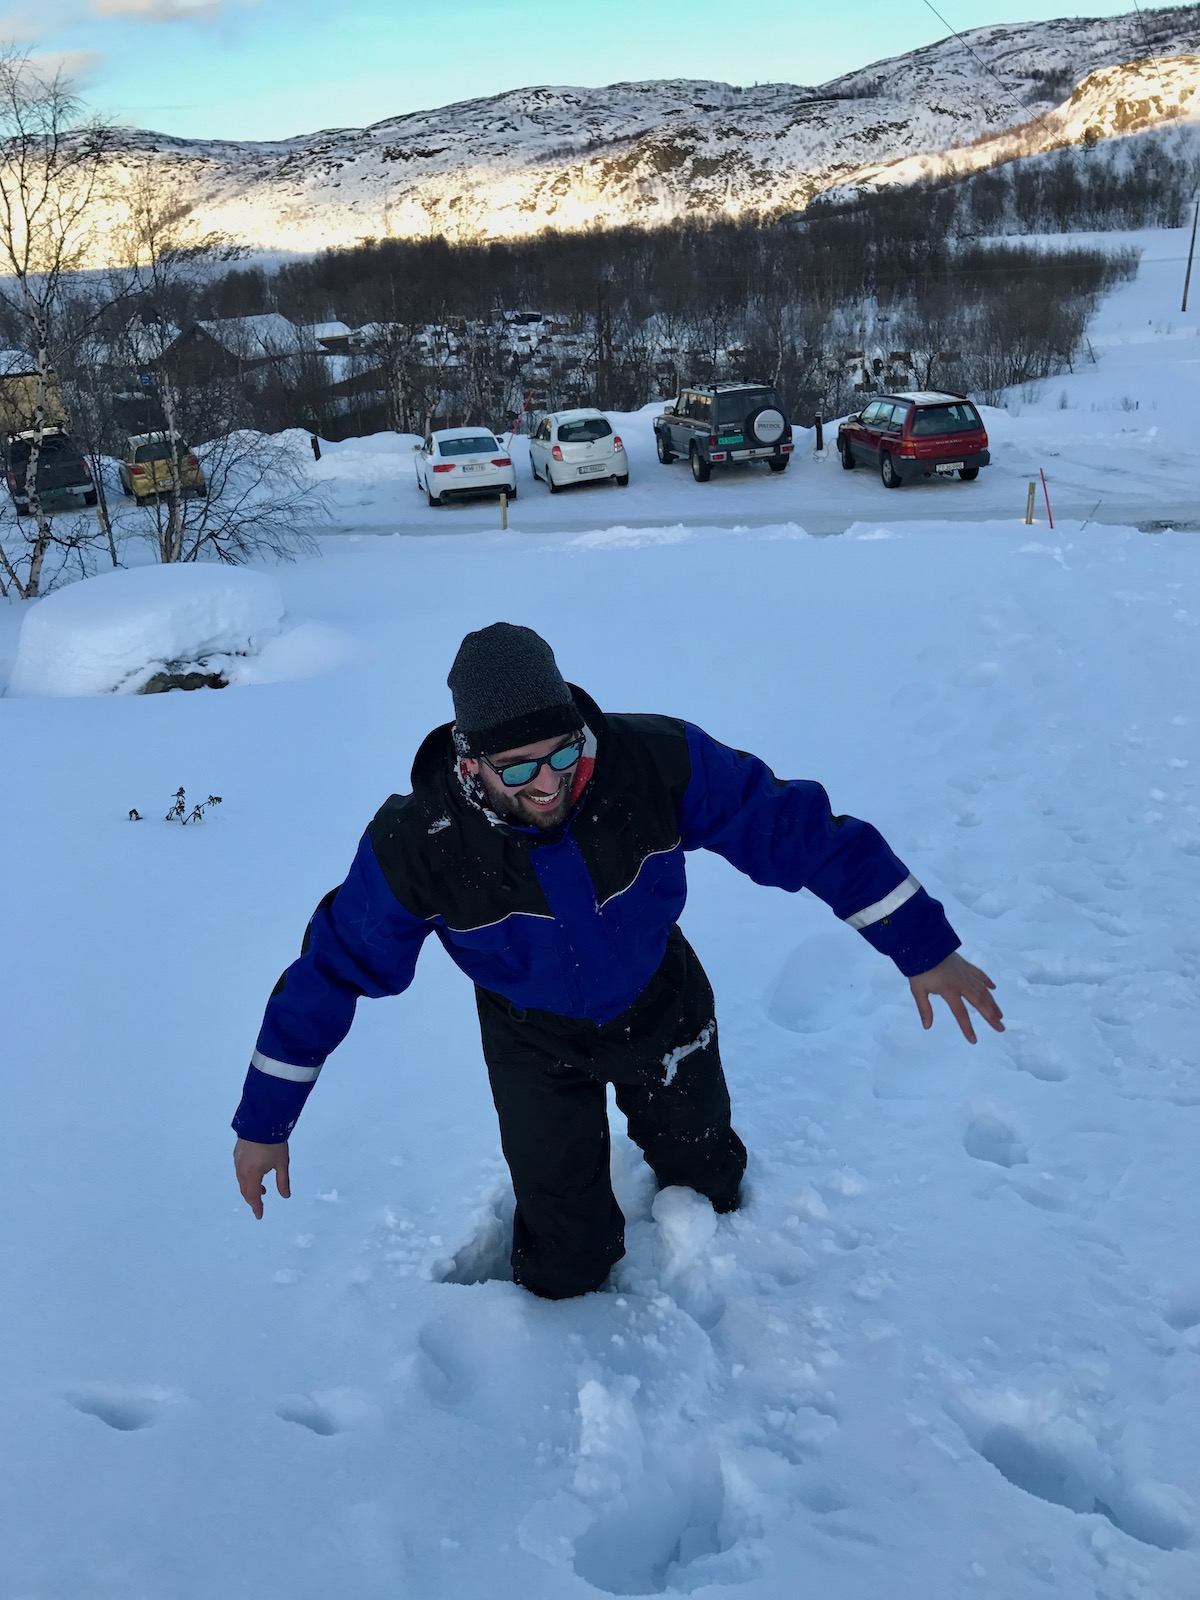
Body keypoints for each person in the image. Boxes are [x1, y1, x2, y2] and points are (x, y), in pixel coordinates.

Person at [233, 623, 1003, 1299]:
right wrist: (267, 1121)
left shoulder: (651, 763)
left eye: (563, 750)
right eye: (521, 768)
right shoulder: (418, 844)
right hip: (529, 1036)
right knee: (566, 1258)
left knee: (708, 1181)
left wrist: (921, 944)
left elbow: (794, 829)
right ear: (470, 766)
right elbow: (331, 970)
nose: (552, 782)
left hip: (659, 998)